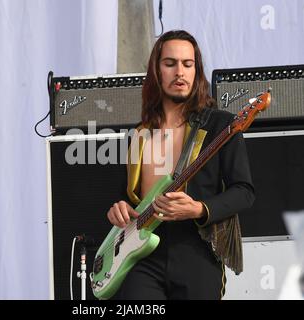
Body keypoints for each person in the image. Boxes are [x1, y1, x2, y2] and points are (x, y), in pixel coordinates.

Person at [106, 30, 255, 300]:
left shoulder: (221, 125)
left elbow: (244, 191)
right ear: (156, 71)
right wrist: (118, 207)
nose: (180, 72)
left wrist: (199, 208)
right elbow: (123, 194)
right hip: (141, 256)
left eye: (188, 64)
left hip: (196, 250)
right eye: (170, 63)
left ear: (196, 71)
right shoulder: (137, 134)